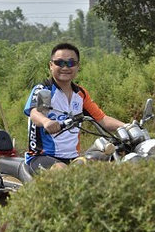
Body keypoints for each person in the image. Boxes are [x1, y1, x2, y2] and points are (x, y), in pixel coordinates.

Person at [23, 42, 125, 171]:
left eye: (70, 63)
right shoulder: (45, 90)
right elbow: (35, 114)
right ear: (51, 65)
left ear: (77, 66)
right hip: (42, 156)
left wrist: (128, 126)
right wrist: (46, 121)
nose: (65, 67)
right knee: (64, 173)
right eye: (59, 63)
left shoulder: (80, 94)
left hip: (73, 157)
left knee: (103, 170)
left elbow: (102, 119)